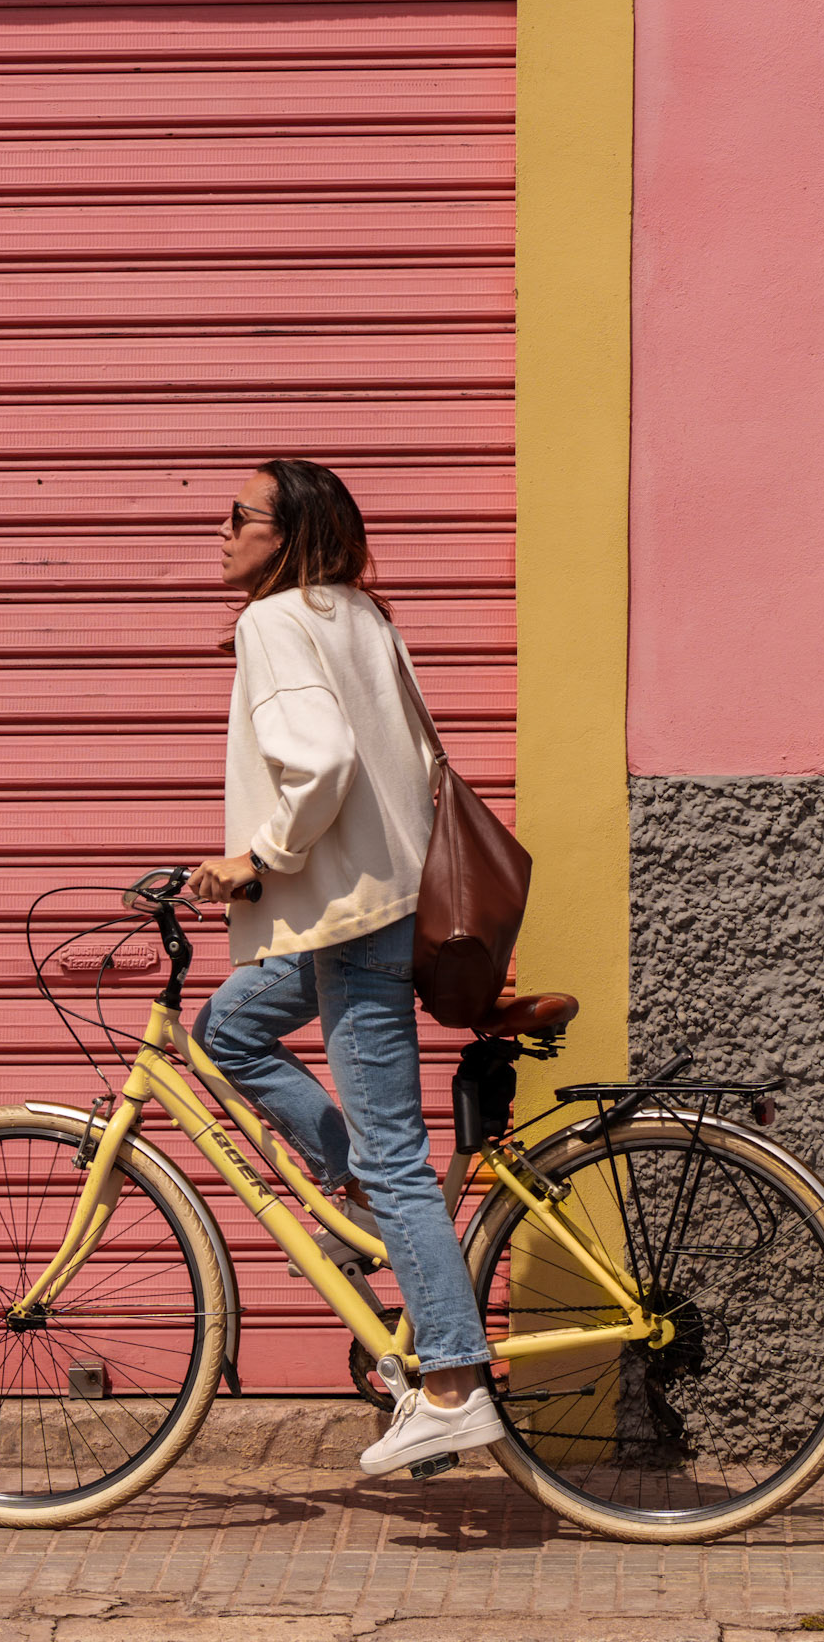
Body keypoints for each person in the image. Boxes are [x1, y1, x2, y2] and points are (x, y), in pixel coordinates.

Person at [187, 457, 504, 1476]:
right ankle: (357, 1197)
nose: (219, 529)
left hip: (350, 916)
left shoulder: (273, 621)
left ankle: (451, 1376)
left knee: (395, 1157)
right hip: (381, 906)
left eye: (237, 515)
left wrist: (257, 857)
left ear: (286, 534)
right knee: (226, 1028)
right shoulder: (362, 614)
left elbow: (318, 761)